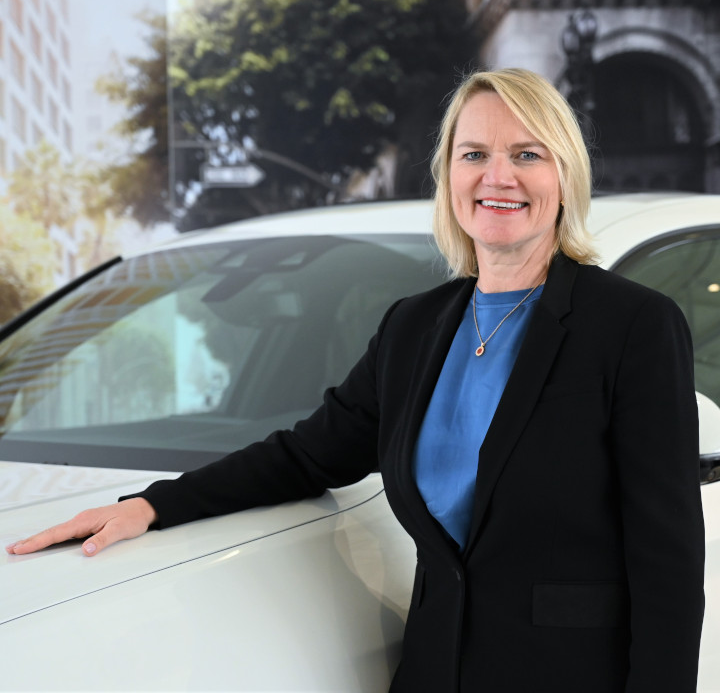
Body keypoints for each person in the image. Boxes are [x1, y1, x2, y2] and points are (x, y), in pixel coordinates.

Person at [6, 68, 705, 692]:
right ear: (449, 177)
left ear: (565, 176)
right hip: (435, 673)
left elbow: (667, 566)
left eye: (527, 154)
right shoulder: (416, 327)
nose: (499, 176)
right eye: (475, 155)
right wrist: (152, 505)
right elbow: (306, 455)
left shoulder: (632, 325)